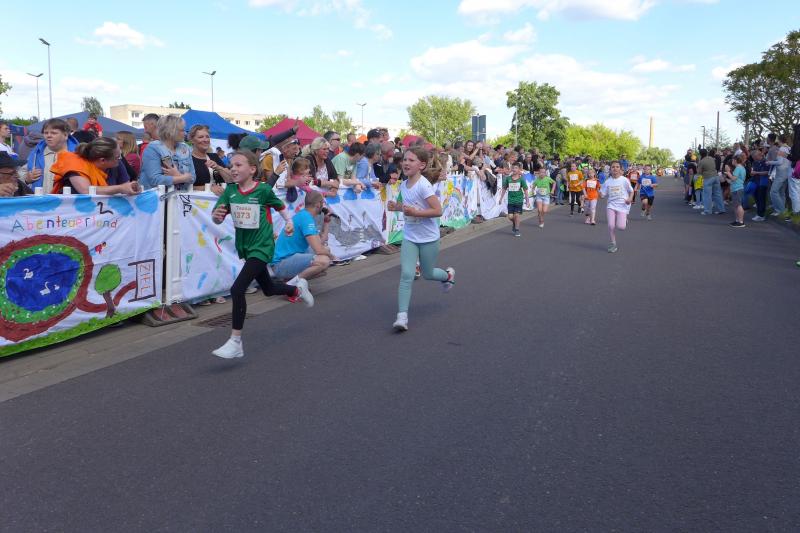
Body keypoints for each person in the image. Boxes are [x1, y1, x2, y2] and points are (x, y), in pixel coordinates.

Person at [210, 150, 313, 359]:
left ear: (252, 169)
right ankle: (297, 289)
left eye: (238, 165)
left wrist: (289, 222)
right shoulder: (230, 191)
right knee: (268, 289)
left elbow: (280, 206)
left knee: (237, 289)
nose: (233, 169)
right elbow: (217, 217)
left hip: (263, 246)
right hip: (246, 247)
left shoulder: (263, 190)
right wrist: (216, 216)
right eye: (231, 165)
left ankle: (235, 342)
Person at [387, 146, 455, 332]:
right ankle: (402, 316)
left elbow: (437, 210)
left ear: (422, 165)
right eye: (405, 160)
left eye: (411, 160)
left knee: (428, 273)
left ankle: (448, 276)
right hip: (410, 237)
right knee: (407, 275)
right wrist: (396, 207)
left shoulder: (424, 185)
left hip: (428, 238)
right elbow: (404, 206)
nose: (406, 163)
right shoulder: (403, 184)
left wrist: (416, 212)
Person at [271, 190, 336, 293]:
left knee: (325, 253)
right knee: (323, 261)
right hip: (280, 264)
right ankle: (290, 286)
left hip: (286, 260)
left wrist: (326, 222)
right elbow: (319, 250)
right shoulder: (306, 218)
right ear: (318, 204)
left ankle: (290, 280)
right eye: (323, 202)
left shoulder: (305, 215)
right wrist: (333, 257)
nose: (324, 205)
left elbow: (321, 242)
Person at [50, 137, 140, 195]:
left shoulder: (117, 163)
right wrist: (120, 188)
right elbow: (86, 190)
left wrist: (132, 187)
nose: (120, 158)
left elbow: (126, 186)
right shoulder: (75, 164)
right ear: (102, 160)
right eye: (117, 157)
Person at [140, 115, 195, 190]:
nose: (185, 133)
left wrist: (178, 175)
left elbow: (193, 177)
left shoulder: (185, 148)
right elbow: (155, 180)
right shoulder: (153, 148)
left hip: (180, 195)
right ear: (171, 131)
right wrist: (182, 178)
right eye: (182, 130)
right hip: (158, 196)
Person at [23, 118, 78, 191]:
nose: (48, 136)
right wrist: (27, 179)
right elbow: (20, 173)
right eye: (46, 133)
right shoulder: (36, 153)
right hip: (40, 198)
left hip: (68, 198)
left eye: (53, 133)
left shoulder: (78, 154)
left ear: (65, 135)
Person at [600, 161, 634, 253]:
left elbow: (631, 191)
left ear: (620, 169)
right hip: (611, 205)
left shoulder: (624, 180)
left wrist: (630, 198)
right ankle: (613, 243)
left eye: (617, 167)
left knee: (621, 227)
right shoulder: (607, 182)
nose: (615, 168)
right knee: (611, 225)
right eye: (613, 167)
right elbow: (602, 194)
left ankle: (624, 220)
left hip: (622, 206)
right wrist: (600, 194)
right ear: (610, 169)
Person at [188, 124, 231, 191]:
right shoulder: (187, 159)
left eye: (207, 137)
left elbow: (230, 179)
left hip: (219, 197)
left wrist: (218, 167)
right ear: (192, 140)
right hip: (198, 198)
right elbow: (184, 187)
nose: (205, 140)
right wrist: (209, 188)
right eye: (201, 137)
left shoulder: (214, 157)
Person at [497, 162, 529, 236]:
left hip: (519, 200)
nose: (514, 169)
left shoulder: (521, 179)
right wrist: (501, 198)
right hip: (511, 200)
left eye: (516, 168)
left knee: (516, 215)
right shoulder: (508, 179)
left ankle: (517, 230)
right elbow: (504, 188)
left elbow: (525, 190)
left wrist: (527, 201)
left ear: (519, 169)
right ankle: (515, 223)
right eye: (513, 168)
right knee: (510, 217)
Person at [767, 145, 792, 219]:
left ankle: (781, 210)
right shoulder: (788, 158)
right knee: (782, 193)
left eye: (779, 150)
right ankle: (780, 210)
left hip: (780, 177)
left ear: (782, 152)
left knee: (773, 192)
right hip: (786, 177)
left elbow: (779, 162)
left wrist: (769, 162)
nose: (777, 152)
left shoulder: (780, 156)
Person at [698, 148, 725, 215]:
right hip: (715, 176)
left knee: (707, 195)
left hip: (708, 178)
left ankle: (707, 210)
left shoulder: (702, 161)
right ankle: (721, 209)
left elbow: (699, 172)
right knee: (718, 194)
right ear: (707, 153)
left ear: (700, 154)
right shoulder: (711, 158)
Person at [723, 154, 747, 228]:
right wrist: (727, 178)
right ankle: (737, 220)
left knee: (738, 205)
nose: (732, 161)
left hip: (737, 189)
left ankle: (741, 222)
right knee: (736, 205)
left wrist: (728, 172)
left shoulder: (738, 168)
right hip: (736, 188)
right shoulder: (741, 168)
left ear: (736, 161)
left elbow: (733, 178)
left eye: (733, 160)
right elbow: (735, 180)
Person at [749, 148, 770, 221]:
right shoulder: (755, 162)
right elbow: (753, 170)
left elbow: (767, 172)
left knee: (761, 199)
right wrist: (752, 173)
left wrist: (756, 173)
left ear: (759, 155)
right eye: (753, 157)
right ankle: (758, 214)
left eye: (754, 157)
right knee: (757, 198)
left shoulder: (765, 162)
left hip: (763, 183)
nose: (753, 158)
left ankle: (761, 215)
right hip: (755, 182)